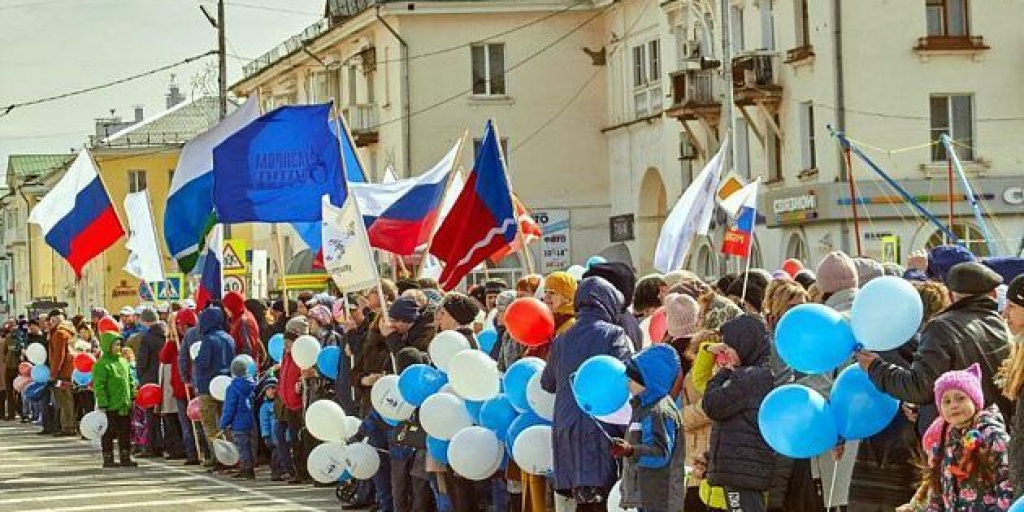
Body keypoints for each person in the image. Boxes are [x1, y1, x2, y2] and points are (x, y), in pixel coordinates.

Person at [856, 262, 1013, 420]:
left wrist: (875, 368)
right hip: (998, 430)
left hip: (963, 435)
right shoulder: (1002, 325)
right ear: (993, 294)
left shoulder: (941, 327)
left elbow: (920, 387)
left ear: (951, 296)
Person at [541, 276, 633, 511]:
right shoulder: (614, 335)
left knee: (584, 499)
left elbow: (547, 382)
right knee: (604, 496)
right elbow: (627, 378)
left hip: (567, 424)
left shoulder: (562, 338)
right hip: (601, 423)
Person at [901, 364, 1013, 510]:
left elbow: (1008, 479)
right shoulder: (945, 441)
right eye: (946, 401)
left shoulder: (991, 433)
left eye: (960, 398)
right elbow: (938, 493)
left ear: (975, 400)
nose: (954, 405)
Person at [701, 314, 775, 512]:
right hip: (745, 469)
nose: (727, 355)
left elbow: (712, 405)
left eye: (729, 349)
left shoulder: (749, 377)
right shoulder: (761, 373)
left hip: (743, 473)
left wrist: (723, 372)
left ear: (745, 345)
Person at [613, 344, 686, 512]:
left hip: (659, 498)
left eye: (631, 379)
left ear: (649, 381)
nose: (627, 383)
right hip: (647, 496)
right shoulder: (643, 408)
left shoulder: (659, 411)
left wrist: (631, 451)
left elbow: (660, 453)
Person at [194, 306, 235, 470]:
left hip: (208, 386)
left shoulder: (208, 339)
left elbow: (203, 362)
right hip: (225, 384)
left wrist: (195, 359)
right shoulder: (228, 338)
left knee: (210, 424)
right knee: (225, 423)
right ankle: (231, 456)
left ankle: (218, 457)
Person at [93, 329, 138, 468]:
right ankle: (108, 457)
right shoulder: (102, 364)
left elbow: (130, 379)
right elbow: (99, 385)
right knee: (108, 432)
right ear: (107, 346)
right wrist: (102, 402)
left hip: (124, 404)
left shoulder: (123, 362)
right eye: (115, 345)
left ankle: (125, 456)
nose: (118, 348)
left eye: (119, 344)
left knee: (125, 431)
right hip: (110, 405)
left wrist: (133, 395)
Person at [162, 308, 201, 465]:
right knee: (186, 424)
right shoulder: (175, 343)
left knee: (199, 423)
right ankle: (191, 453)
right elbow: (164, 358)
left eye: (182, 325)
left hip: (195, 387)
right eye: (178, 325)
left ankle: (202, 451)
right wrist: (170, 340)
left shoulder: (197, 339)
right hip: (180, 389)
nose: (180, 328)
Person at [279, 316, 313, 485]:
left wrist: (301, 382)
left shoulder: (303, 354)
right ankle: (299, 471)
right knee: (294, 439)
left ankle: (307, 471)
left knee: (303, 438)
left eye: (289, 342)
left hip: (301, 403)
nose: (286, 346)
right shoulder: (286, 355)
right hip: (289, 403)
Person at [220, 355, 257, 480]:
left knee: (242, 446)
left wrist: (223, 423)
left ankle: (246, 469)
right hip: (250, 420)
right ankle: (250, 467)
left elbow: (229, 407)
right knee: (249, 445)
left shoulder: (232, 388)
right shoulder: (252, 384)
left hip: (238, 421)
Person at [136, 308, 165, 456]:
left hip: (149, 379)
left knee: (151, 416)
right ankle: (163, 444)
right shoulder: (167, 334)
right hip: (164, 378)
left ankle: (152, 446)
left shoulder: (147, 338)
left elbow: (142, 361)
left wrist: (140, 377)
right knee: (164, 415)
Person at [47, 317, 76, 437]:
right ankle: (69, 425)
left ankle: (67, 426)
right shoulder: (69, 333)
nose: (49, 323)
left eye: (51, 321)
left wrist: (53, 374)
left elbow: (59, 355)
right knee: (67, 399)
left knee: (64, 399)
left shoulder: (59, 334)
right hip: (69, 371)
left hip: (62, 373)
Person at [223, 291, 268, 368]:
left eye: (226, 307)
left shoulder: (244, 320)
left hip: (244, 367)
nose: (225, 310)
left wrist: (240, 365)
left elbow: (248, 347)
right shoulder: (239, 318)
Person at [259, 378, 289, 480]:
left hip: (285, 436)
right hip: (273, 437)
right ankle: (276, 472)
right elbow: (264, 422)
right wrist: (266, 435)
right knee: (276, 456)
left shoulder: (281, 403)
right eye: (268, 389)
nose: (271, 391)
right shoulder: (265, 407)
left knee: (285, 454)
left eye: (273, 388)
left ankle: (285, 470)